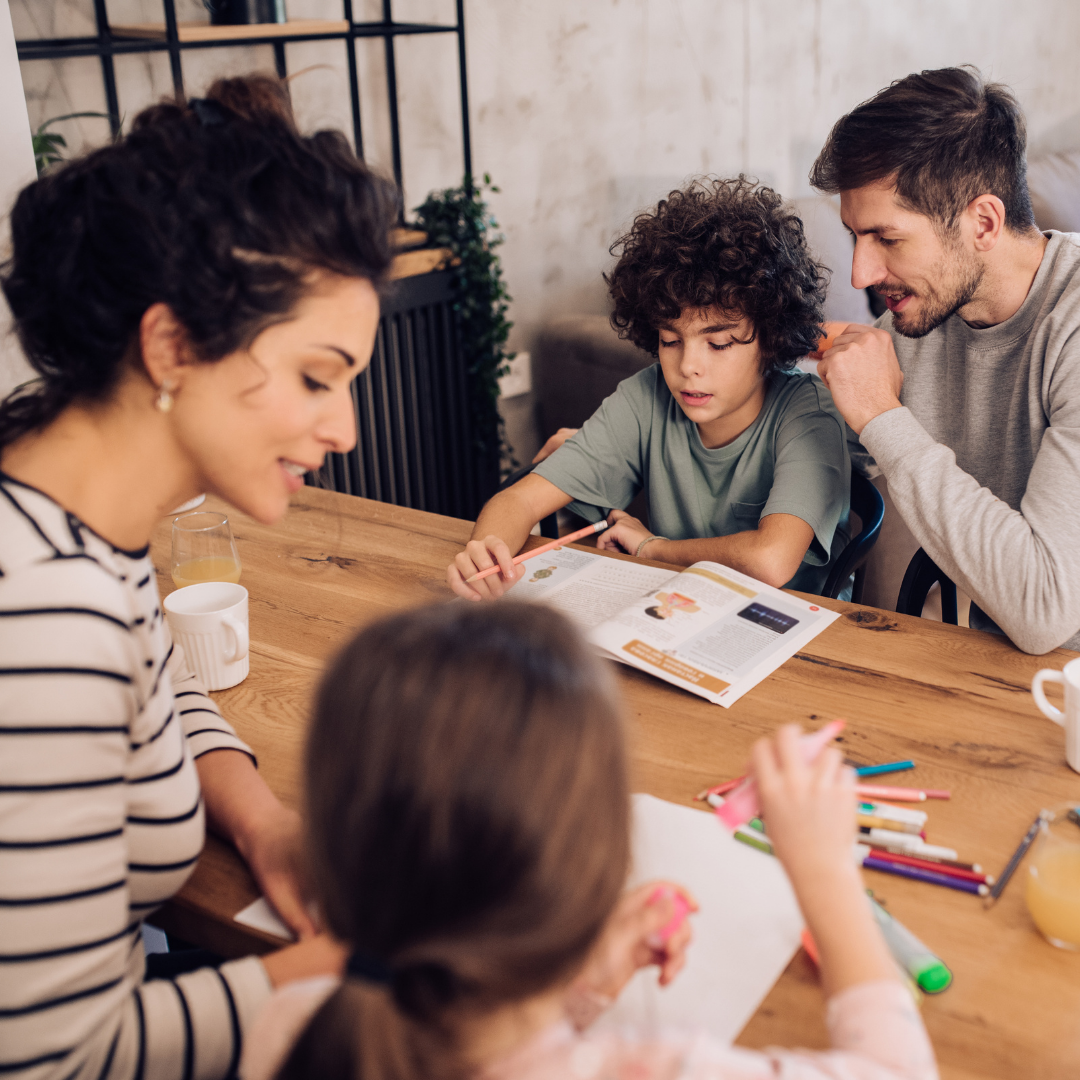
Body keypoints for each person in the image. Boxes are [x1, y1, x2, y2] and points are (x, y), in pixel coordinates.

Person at [0, 76, 396, 1079]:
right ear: (172, 344)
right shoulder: (47, 611)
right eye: (316, 376)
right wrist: (369, 970)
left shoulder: (66, 501)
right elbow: (66, 1060)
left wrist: (263, 823)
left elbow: (158, 678)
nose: (345, 430)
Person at [239, 600, 937, 1080]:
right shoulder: (647, 1067)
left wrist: (576, 993)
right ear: (593, 876)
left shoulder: (292, 1023)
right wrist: (824, 873)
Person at [446, 178, 851, 601]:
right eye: (670, 340)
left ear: (770, 340)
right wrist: (485, 554)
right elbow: (519, 501)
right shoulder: (648, 396)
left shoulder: (808, 412)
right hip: (681, 613)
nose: (687, 367)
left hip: (797, 632)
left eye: (718, 344)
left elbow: (771, 560)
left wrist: (656, 549)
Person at [809, 66, 1080, 653]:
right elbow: (803, 446)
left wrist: (883, 419)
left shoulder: (1072, 331)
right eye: (856, 236)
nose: (860, 274)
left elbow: (1043, 609)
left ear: (983, 222)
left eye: (888, 239)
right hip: (974, 668)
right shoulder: (921, 319)